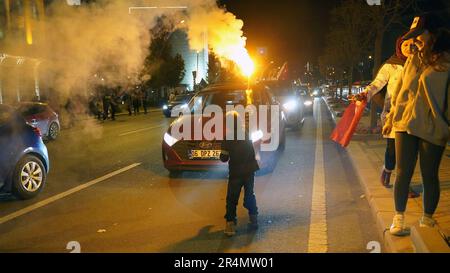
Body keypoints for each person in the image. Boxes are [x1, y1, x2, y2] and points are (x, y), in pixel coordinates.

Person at [383, 14, 450, 236]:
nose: (415, 40)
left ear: (434, 33)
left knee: (429, 175)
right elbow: (401, 91)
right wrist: (392, 118)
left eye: (419, 35)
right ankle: (398, 218)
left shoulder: (446, 62)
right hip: (405, 123)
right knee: (403, 172)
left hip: (433, 127)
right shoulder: (413, 58)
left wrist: (445, 128)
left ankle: (427, 221)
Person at [357, 36, 420, 198]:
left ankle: (404, 185)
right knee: (393, 151)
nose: (408, 47)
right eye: (405, 44)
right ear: (399, 46)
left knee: (409, 153)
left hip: (413, 116)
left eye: (412, 44)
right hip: (393, 115)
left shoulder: (419, 63)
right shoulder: (391, 65)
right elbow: (377, 83)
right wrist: (365, 93)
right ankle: (387, 169)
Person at [220, 111, 260, 236]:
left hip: (236, 172)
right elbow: (252, 149)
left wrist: (221, 153)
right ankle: (254, 220)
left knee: (232, 198)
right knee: (249, 195)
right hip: (249, 171)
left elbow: (224, 158)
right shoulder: (246, 133)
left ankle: (230, 225)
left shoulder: (228, 138)